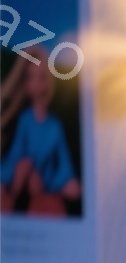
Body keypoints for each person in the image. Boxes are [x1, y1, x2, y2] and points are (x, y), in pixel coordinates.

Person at [0, 57, 81, 216]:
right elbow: (16, 154)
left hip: (46, 184)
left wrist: (52, 182)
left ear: (48, 81)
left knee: (72, 190)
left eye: (41, 77)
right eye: (31, 77)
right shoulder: (25, 120)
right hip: (22, 182)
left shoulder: (55, 125)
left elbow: (64, 165)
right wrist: (9, 177)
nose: (36, 84)